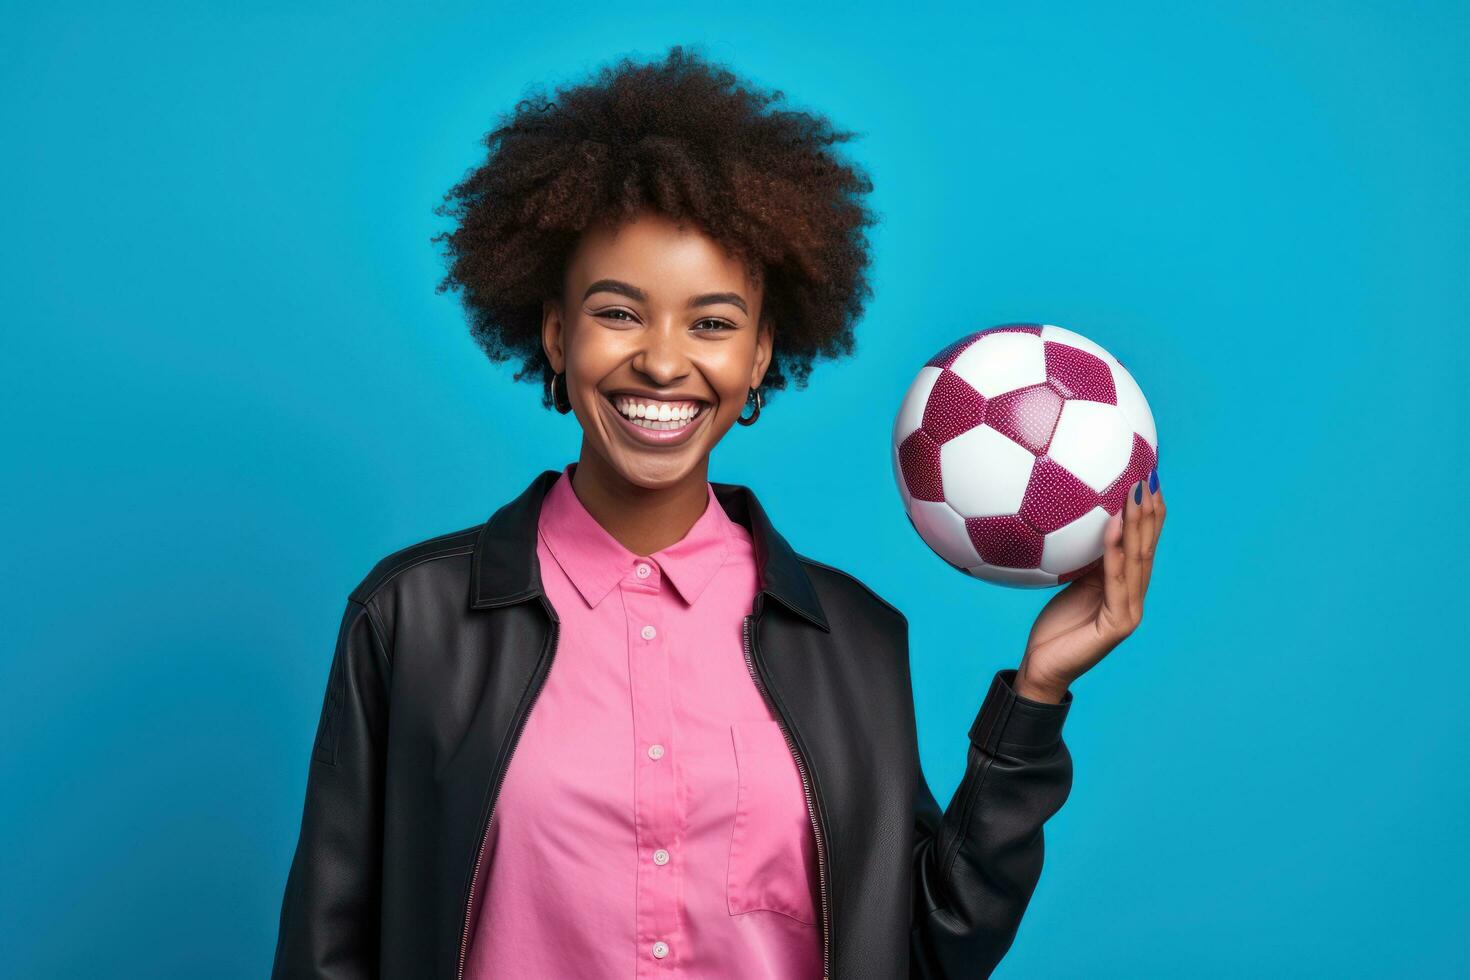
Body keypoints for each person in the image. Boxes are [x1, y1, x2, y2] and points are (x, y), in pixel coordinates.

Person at [271, 44, 1166, 980]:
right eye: (619, 313)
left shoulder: (854, 640)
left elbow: (928, 949)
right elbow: (327, 953)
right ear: (554, 331)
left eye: (711, 323)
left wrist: (1036, 695)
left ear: (760, 357)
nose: (663, 363)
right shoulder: (409, 622)